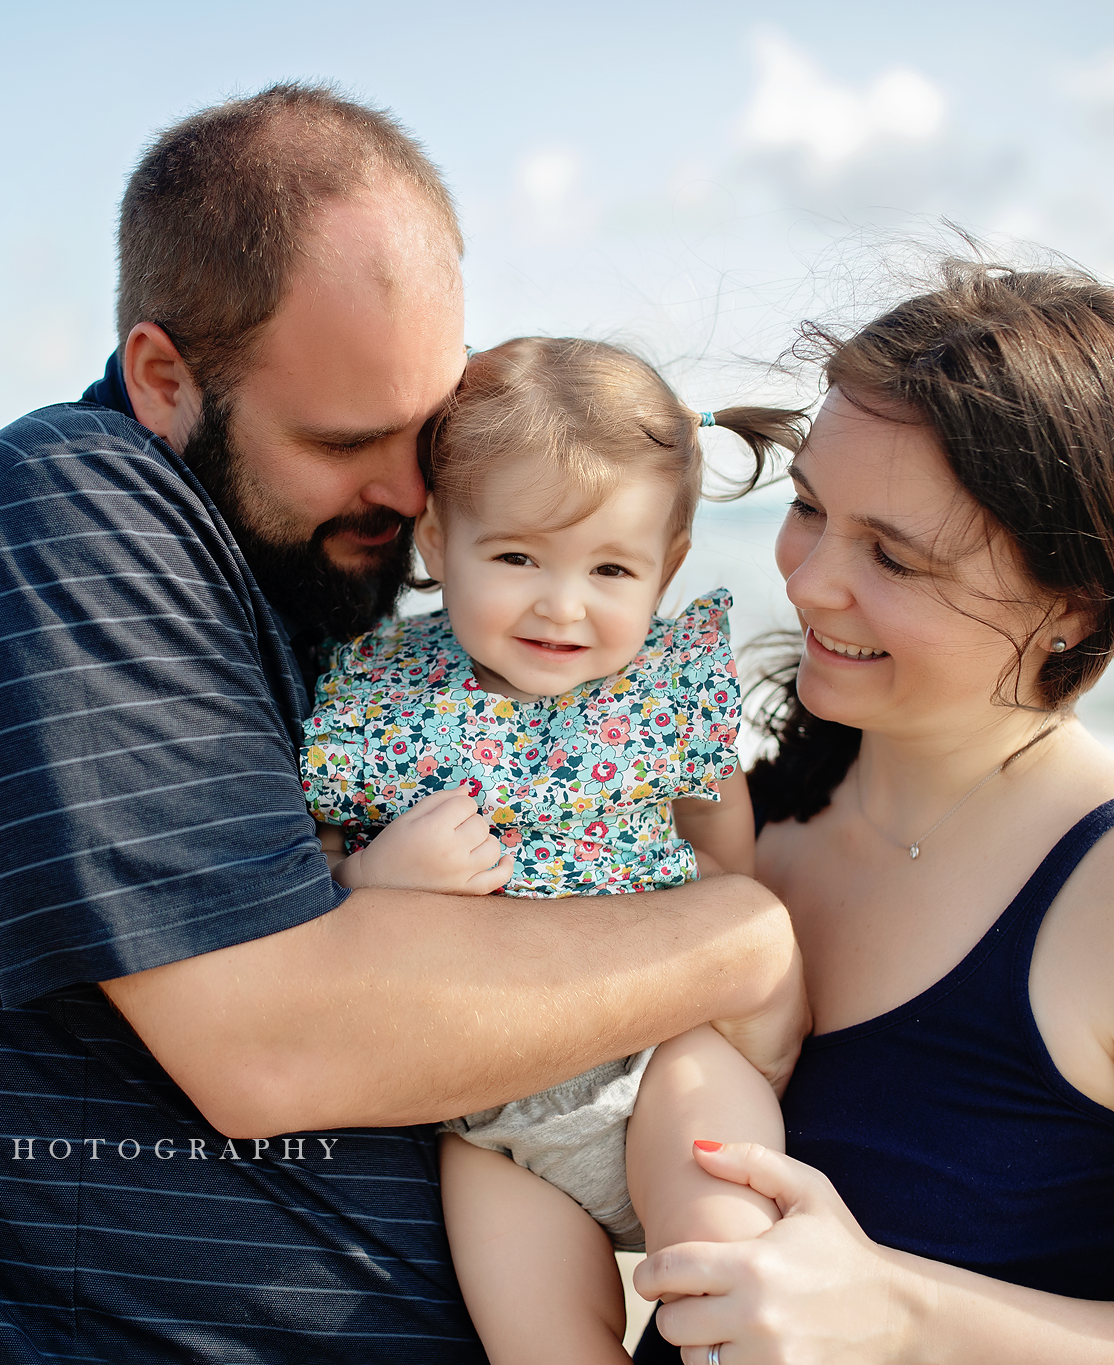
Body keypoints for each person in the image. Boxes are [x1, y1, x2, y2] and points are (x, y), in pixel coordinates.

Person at [0, 84, 804, 1363]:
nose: (410, 495)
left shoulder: (298, 569)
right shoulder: (57, 519)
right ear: (163, 378)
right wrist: (735, 935)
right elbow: (272, 1048)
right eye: (346, 439)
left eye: (427, 432)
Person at [633, 261, 1114, 1364]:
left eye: (891, 555)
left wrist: (900, 1314)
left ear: (1068, 603)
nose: (805, 581)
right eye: (807, 507)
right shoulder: (740, 821)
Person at [299, 336, 808, 1362]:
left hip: (667, 1048)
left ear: (665, 567)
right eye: (518, 557)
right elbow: (303, 881)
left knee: (724, 1275)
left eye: (610, 568)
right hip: (484, 1112)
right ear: (438, 542)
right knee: (538, 1341)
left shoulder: (663, 687)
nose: (561, 604)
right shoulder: (381, 697)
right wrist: (369, 876)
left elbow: (715, 824)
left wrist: (725, 917)